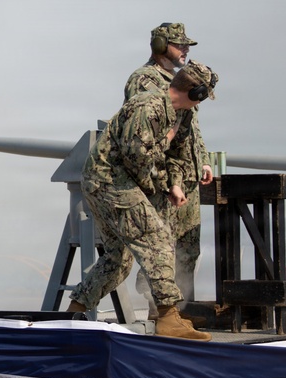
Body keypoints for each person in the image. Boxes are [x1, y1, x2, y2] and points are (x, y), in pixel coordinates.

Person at [67, 60, 218, 341]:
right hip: (109, 180)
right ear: (195, 92)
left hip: (126, 181)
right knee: (157, 238)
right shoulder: (146, 107)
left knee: (118, 259)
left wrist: (174, 183)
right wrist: (163, 183)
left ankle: (74, 309)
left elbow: (178, 154)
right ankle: (169, 317)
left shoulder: (182, 115)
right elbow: (136, 159)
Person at [126, 23, 212, 319]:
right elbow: (149, 135)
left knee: (189, 246)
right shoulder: (145, 80)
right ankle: (158, 310)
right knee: (161, 247)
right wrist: (164, 179)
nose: (185, 50)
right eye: (180, 45)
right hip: (163, 180)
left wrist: (203, 159)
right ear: (162, 46)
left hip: (187, 177)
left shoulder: (183, 79)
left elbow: (190, 127)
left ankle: (180, 311)